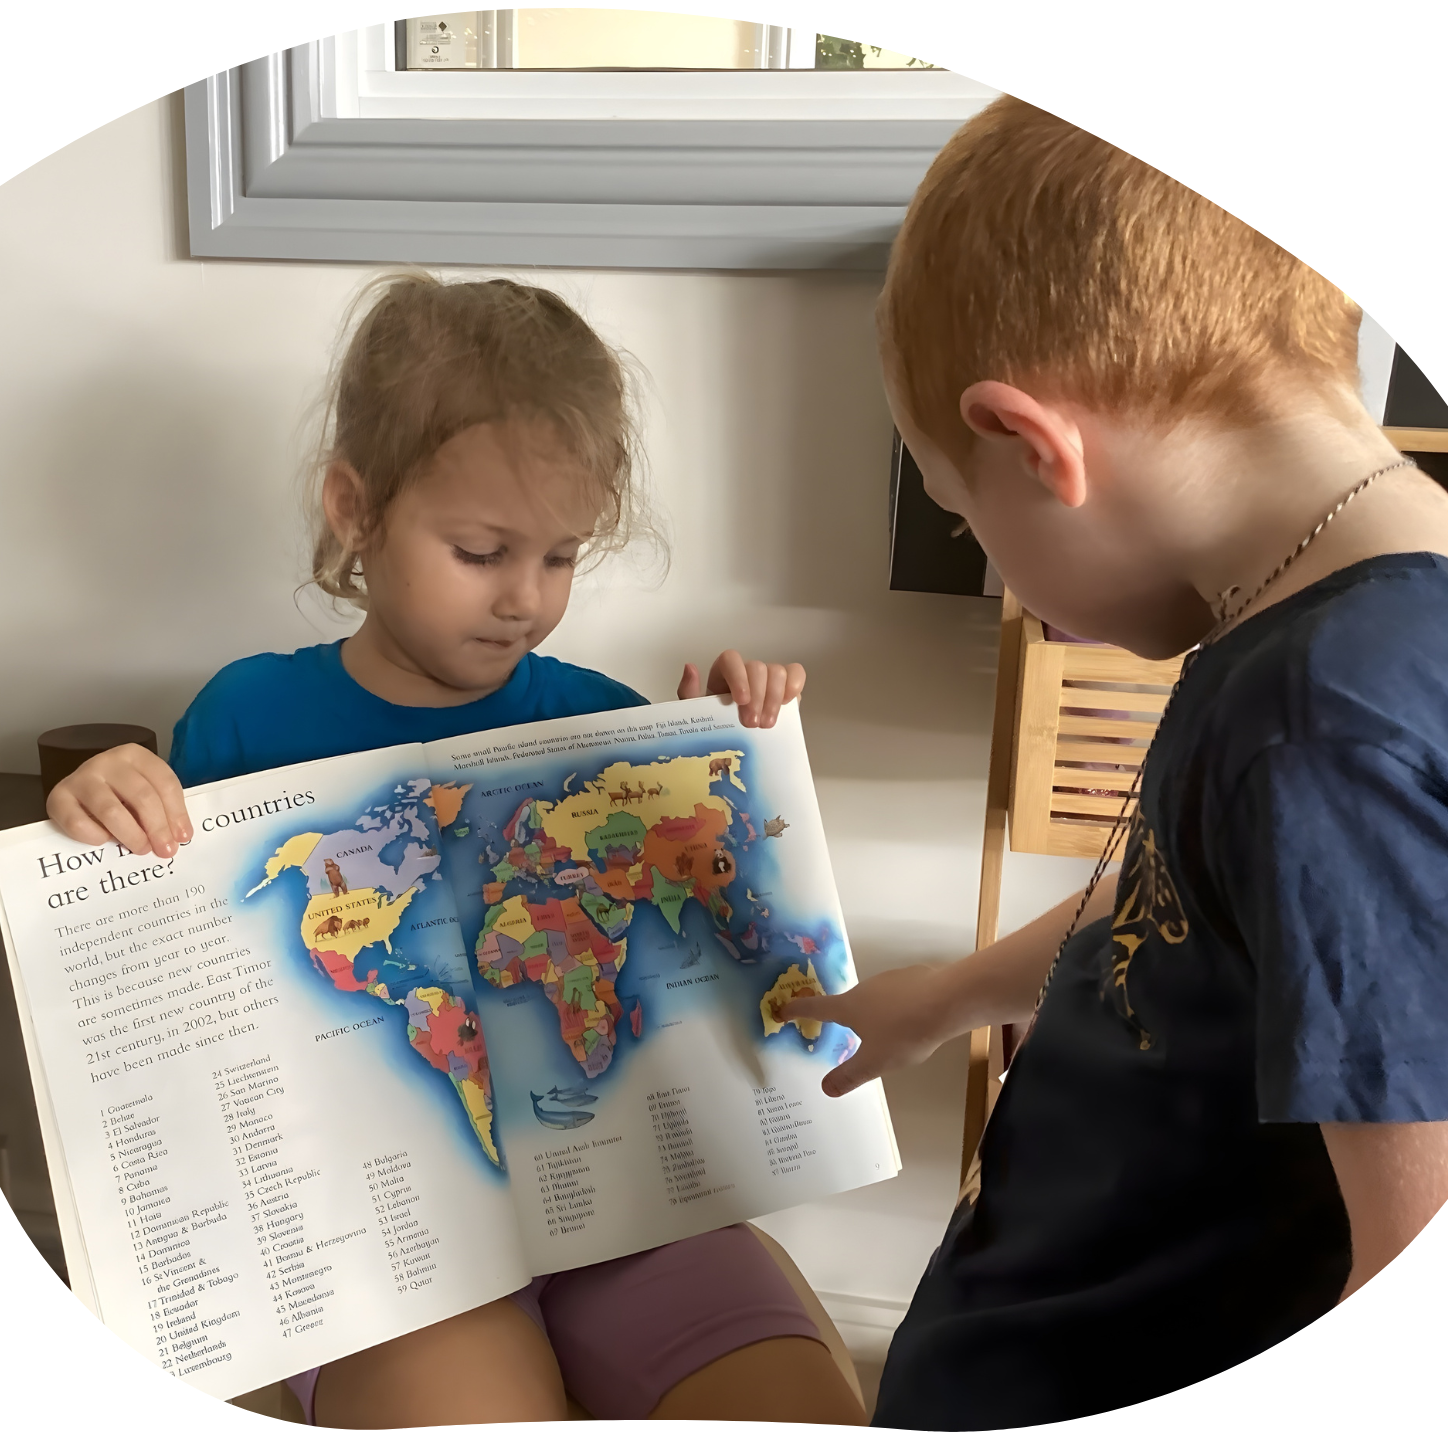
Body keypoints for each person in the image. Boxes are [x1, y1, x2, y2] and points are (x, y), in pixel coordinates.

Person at [783, 98, 1448, 1429]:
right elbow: (1186, 905)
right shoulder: (1329, 613)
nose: (1004, 587)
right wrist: (944, 998)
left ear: (1038, 446)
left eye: (970, 518)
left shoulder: (1341, 732)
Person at [46, 274, 864, 1426]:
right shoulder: (245, 720)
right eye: (482, 551)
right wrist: (102, 807)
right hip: (385, 1228)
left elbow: (706, 971)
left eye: (563, 556)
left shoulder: (599, 720)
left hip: (621, 1201)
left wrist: (732, 760)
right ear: (354, 508)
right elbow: (169, 975)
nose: (526, 599)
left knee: (796, 1400)